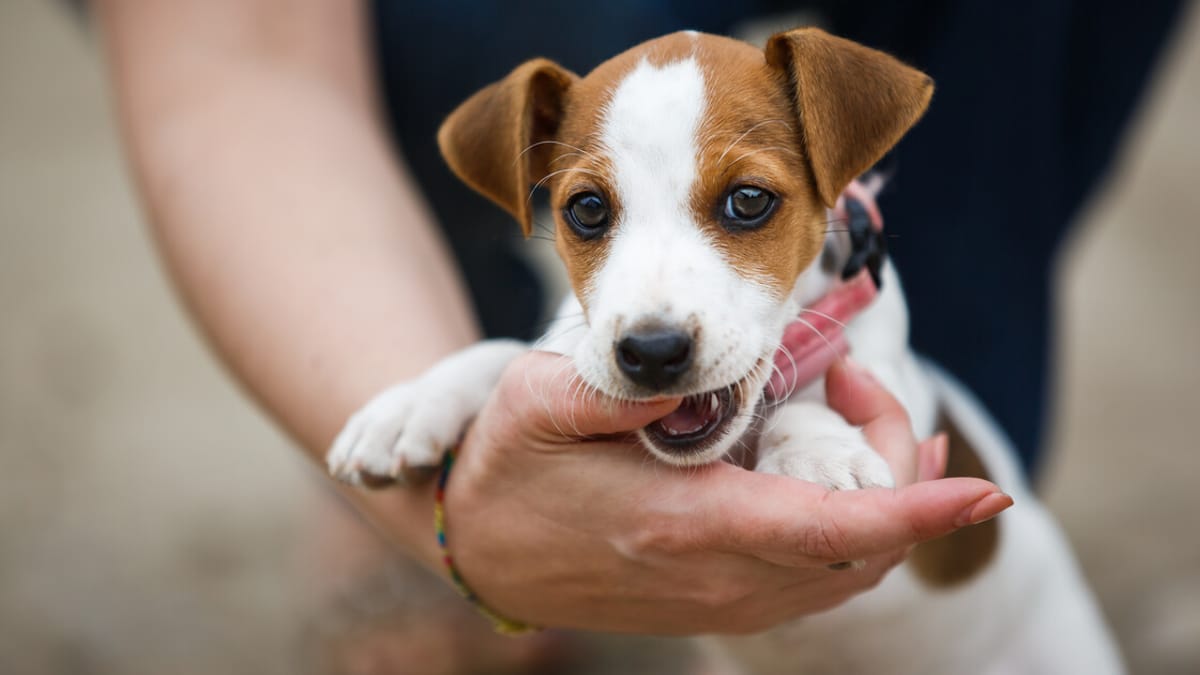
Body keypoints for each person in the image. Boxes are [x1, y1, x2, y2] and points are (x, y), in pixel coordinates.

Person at [92, 0, 1176, 671]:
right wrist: (454, 389)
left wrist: (803, 444)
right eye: (594, 215)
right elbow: (541, 378)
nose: (651, 313)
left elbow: (842, 411)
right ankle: (430, 536)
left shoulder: (863, 304)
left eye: (744, 205)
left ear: (839, 171)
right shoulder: (615, 305)